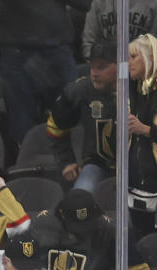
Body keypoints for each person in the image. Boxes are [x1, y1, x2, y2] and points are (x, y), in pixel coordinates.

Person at [32, 189, 149, 270]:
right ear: (62, 214)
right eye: (76, 226)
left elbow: (137, 267)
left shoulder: (110, 230)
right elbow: (20, 263)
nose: (82, 232)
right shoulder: (41, 225)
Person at [0, 0, 78, 144]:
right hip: (17, 51)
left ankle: (73, 162)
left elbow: (85, 4)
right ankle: (28, 160)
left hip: (57, 49)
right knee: (22, 122)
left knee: (72, 111)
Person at [46, 42, 118, 194]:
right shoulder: (79, 91)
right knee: (80, 198)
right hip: (97, 164)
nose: (94, 73)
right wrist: (66, 161)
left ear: (120, 66)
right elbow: (55, 126)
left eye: (101, 67)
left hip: (136, 167)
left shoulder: (141, 90)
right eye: (92, 66)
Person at [129, 33, 157, 242]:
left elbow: (144, 129)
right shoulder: (134, 90)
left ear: (150, 56)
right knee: (141, 235)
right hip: (138, 176)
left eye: (133, 57)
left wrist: (146, 130)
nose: (128, 63)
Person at [81, 0, 157, 62]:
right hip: (106, 65)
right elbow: (88, 44)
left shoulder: (153, 4)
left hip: (140, 66)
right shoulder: (98, 3)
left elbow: (153, 45)